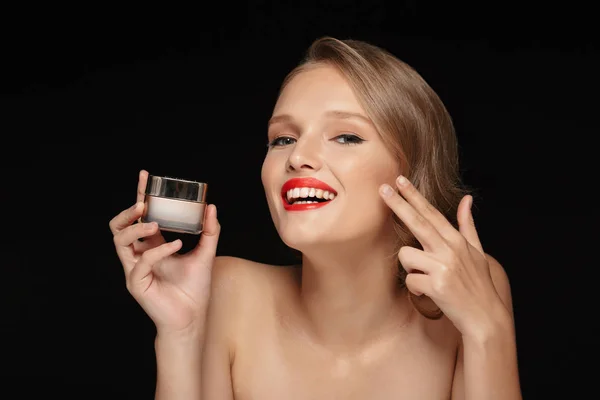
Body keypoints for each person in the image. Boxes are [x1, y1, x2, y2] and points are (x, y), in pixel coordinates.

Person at [109, 37, 522, 399]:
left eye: (346, 136)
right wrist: (180, 336)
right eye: (283, 139)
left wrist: (488, 331)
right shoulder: (228, 292)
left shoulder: (472, 289)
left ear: (412, 171)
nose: (298, 158)